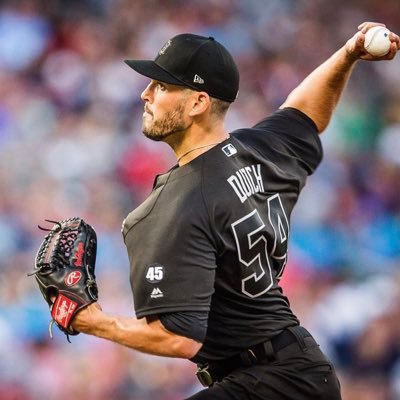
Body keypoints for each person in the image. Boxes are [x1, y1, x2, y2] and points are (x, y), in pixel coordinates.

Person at [72, 22, 399, 399]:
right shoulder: (259, 149)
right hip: (302, 373)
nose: (146, 94)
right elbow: (307, 113)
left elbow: (178, 339)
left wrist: (92, 321)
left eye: (161, 86)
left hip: (267, 381)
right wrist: (347, 55)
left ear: (198, 102)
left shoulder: (173, 205)